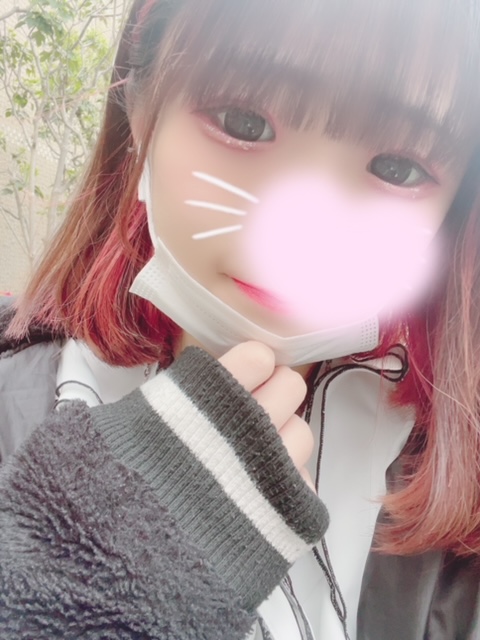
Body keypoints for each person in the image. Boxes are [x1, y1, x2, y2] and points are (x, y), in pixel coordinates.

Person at [1, 0, 480, 638]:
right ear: (142, 114)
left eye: (398, 168)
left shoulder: (452, 469)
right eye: (243, 122)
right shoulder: (15, 394)